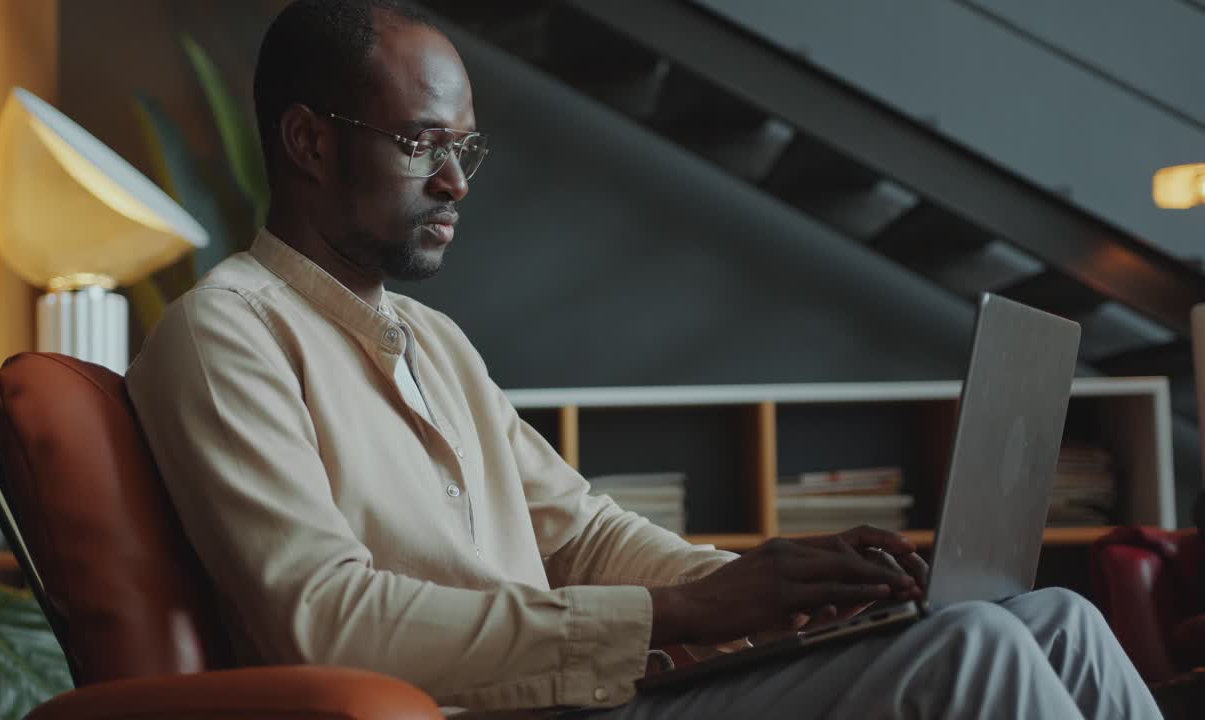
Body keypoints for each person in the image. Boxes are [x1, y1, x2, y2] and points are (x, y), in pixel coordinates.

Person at [124, 1, 1162, 717]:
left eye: (464, 149)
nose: (456, 184)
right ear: (307, 142)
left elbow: (578, 535)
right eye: (421, 143)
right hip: (506, 712)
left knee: (1056, 620)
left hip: (598, 690)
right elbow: (324, 618)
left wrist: (780, 587)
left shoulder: (431, 343)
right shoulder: (226, 336)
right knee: (974, 651)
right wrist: (687, 611)